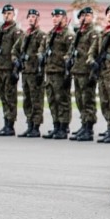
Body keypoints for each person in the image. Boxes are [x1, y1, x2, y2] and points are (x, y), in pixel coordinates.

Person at [88, 5, 110, 144]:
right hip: (102, 71)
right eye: (108, 13)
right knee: (104, 102)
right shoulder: (102, 32)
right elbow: (93, 50)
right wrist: (92, 61)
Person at [13, 9, 48, 137]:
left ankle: (36, 126)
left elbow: (41, 52)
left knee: (36, 100)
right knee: (27, 100)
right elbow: (15, 50)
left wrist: (39, 67)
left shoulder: (41, 35)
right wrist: (15, 60)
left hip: (35, 73)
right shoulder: (25, 35)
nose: (31, 19)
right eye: (30, 17)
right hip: (26, 72)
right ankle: (29, 124)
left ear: (38, 19)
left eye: (34, 17)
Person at [41, 9, 75, 140]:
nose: (55, 18)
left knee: (62, 101)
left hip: (61, 72)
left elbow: (70, 52)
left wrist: (67, 68)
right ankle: (56, 125)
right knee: (52, 100)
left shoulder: (68, 34)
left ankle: (64, 127)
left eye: (58, 16)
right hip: (50, 72)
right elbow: (43, 49)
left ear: (65, 18)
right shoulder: (51, 33)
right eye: (53, 16)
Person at [68, 7, 99, 141]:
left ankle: (89, 128)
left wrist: (93, 73)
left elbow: (95, 53)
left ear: (92, 17)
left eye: (87, 15)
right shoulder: (79, 33)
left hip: (87, 72)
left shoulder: (94, 33)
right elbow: (71, 50)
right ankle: (83, 124)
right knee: (80, 100)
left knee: (88, 101)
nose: (84, 18)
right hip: (77, 70)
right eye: (82, 16)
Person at [0, 4, 23, 136]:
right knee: (3, 97)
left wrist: (16, 70)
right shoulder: (0, 30)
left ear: (13, 14)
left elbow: (19, 51)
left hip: (9, 68)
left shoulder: (16, 31)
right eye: (5, 13)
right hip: (0, 67)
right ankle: (6, 122)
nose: (7, 15)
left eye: (9, 13)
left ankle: (10, 125)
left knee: (10, 97)